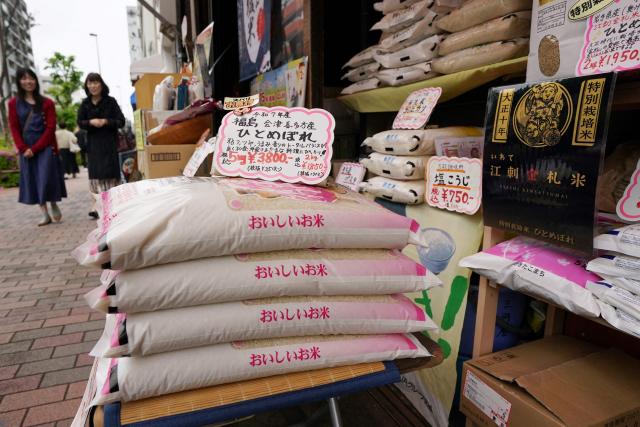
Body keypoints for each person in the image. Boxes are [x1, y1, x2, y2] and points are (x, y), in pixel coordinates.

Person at [8, 67, 66, 226]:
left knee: (47, 176)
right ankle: (44, 213)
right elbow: (14, 127)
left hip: (45, 145)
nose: (28, 82)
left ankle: (53, 202)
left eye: (31, 78)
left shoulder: (47, 103)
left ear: (36, 81)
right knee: (34, 178)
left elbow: (51, 128)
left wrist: (35, 149)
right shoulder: (13, 103)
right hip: (26, 147)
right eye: (24, 78)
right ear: (19, 82)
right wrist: (23, 148)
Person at [77, 73, 125, 219]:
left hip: (109, 143)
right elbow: (80, 122)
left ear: (101, 84)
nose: (93, 86)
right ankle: (97, 206)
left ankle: (112, 205)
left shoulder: (111, 102)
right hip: (92, 144)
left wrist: (105, 121)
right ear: (86, 86)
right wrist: (90, 122)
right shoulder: (85, 104)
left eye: (95, 82)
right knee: (95, 177)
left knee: (110, 174)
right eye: (90, 83)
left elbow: (120, 121)